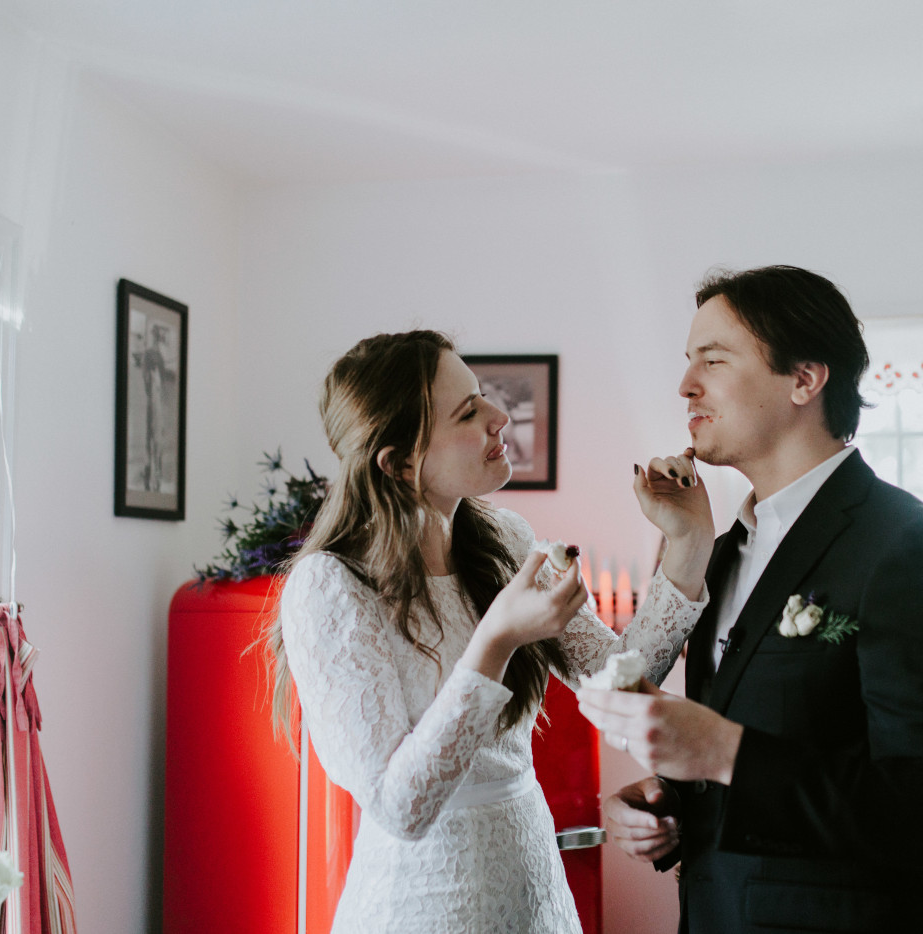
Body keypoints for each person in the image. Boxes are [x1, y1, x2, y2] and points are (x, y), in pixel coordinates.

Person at [577, 266, 923, 933]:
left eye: (712, 361)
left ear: (804, 379)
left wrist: (725, 752)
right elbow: (768, 752)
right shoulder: (722, 552)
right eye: (688, 363)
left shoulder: (917, 549)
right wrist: (677, 807)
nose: (685, 386)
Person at [268, 330, 710, 933]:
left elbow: (617, 680)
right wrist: (495, 641)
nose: (500, 417)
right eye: (469, 411)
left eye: (484, 398)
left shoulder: (505, 540)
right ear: (399, 463)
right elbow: (402, 808)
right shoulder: (330, 587)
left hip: (533, 887)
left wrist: (686, 546)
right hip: (424, 904)